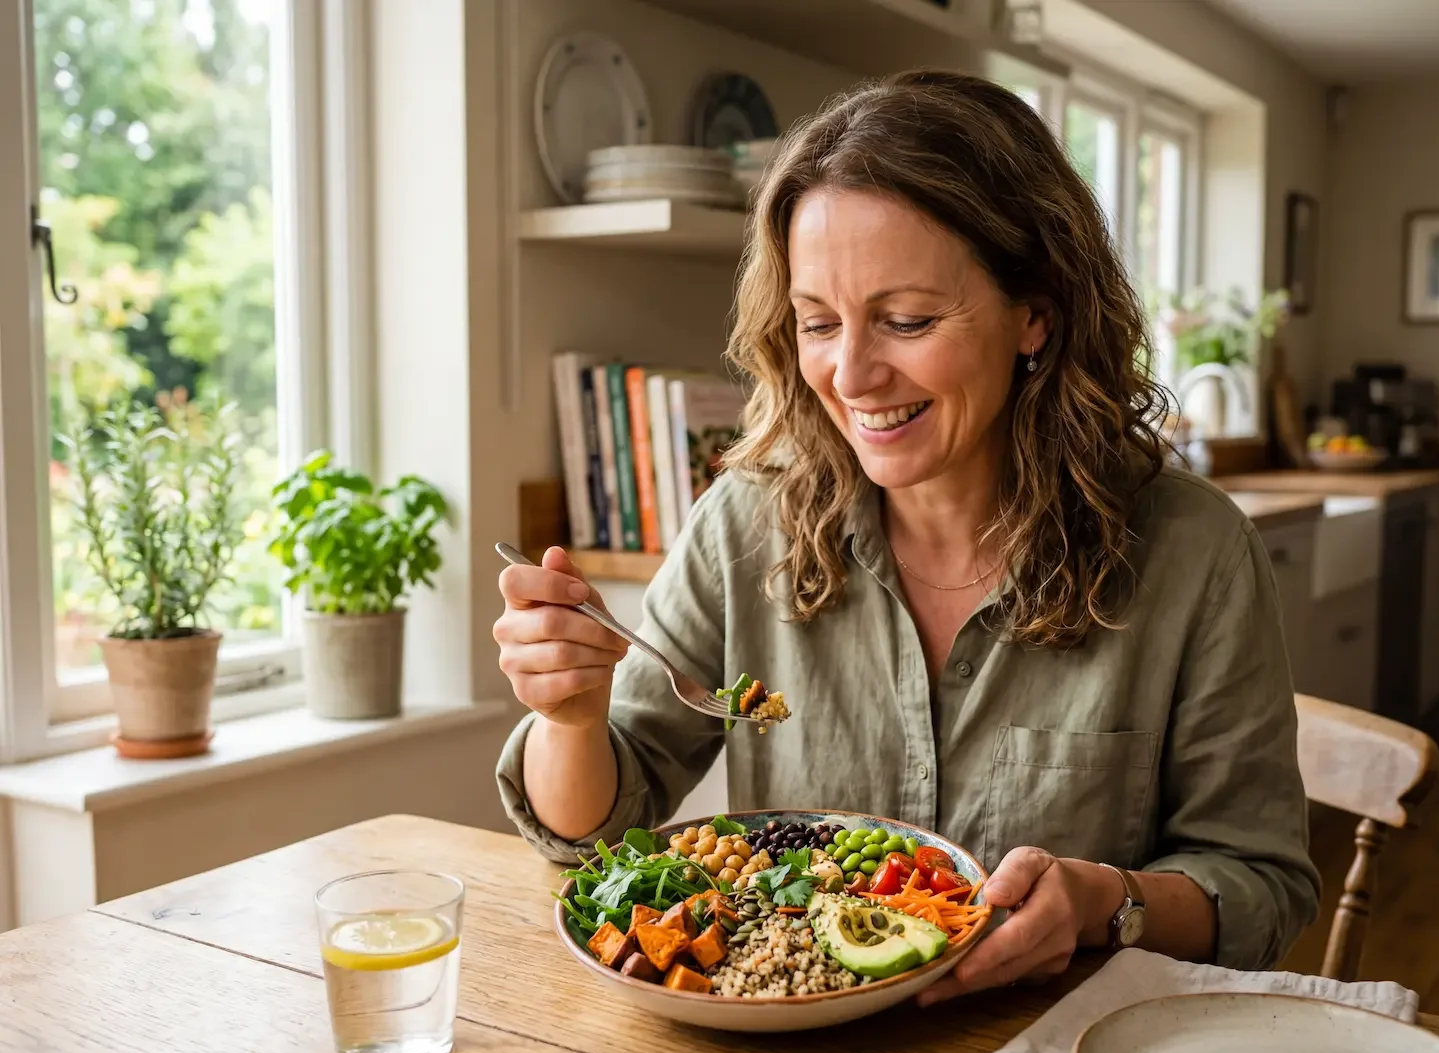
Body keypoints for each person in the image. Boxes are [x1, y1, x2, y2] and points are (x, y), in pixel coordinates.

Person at [494, 70, 1319, 1001]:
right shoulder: (745, 520)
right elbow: (600, 831)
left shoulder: (1193, 553)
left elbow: (1262, 890)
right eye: (817, 323)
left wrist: (1110, 903)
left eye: (907, 320)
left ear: (1035, 313)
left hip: (1058, 1051)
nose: (850, 375)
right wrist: (569, 718)